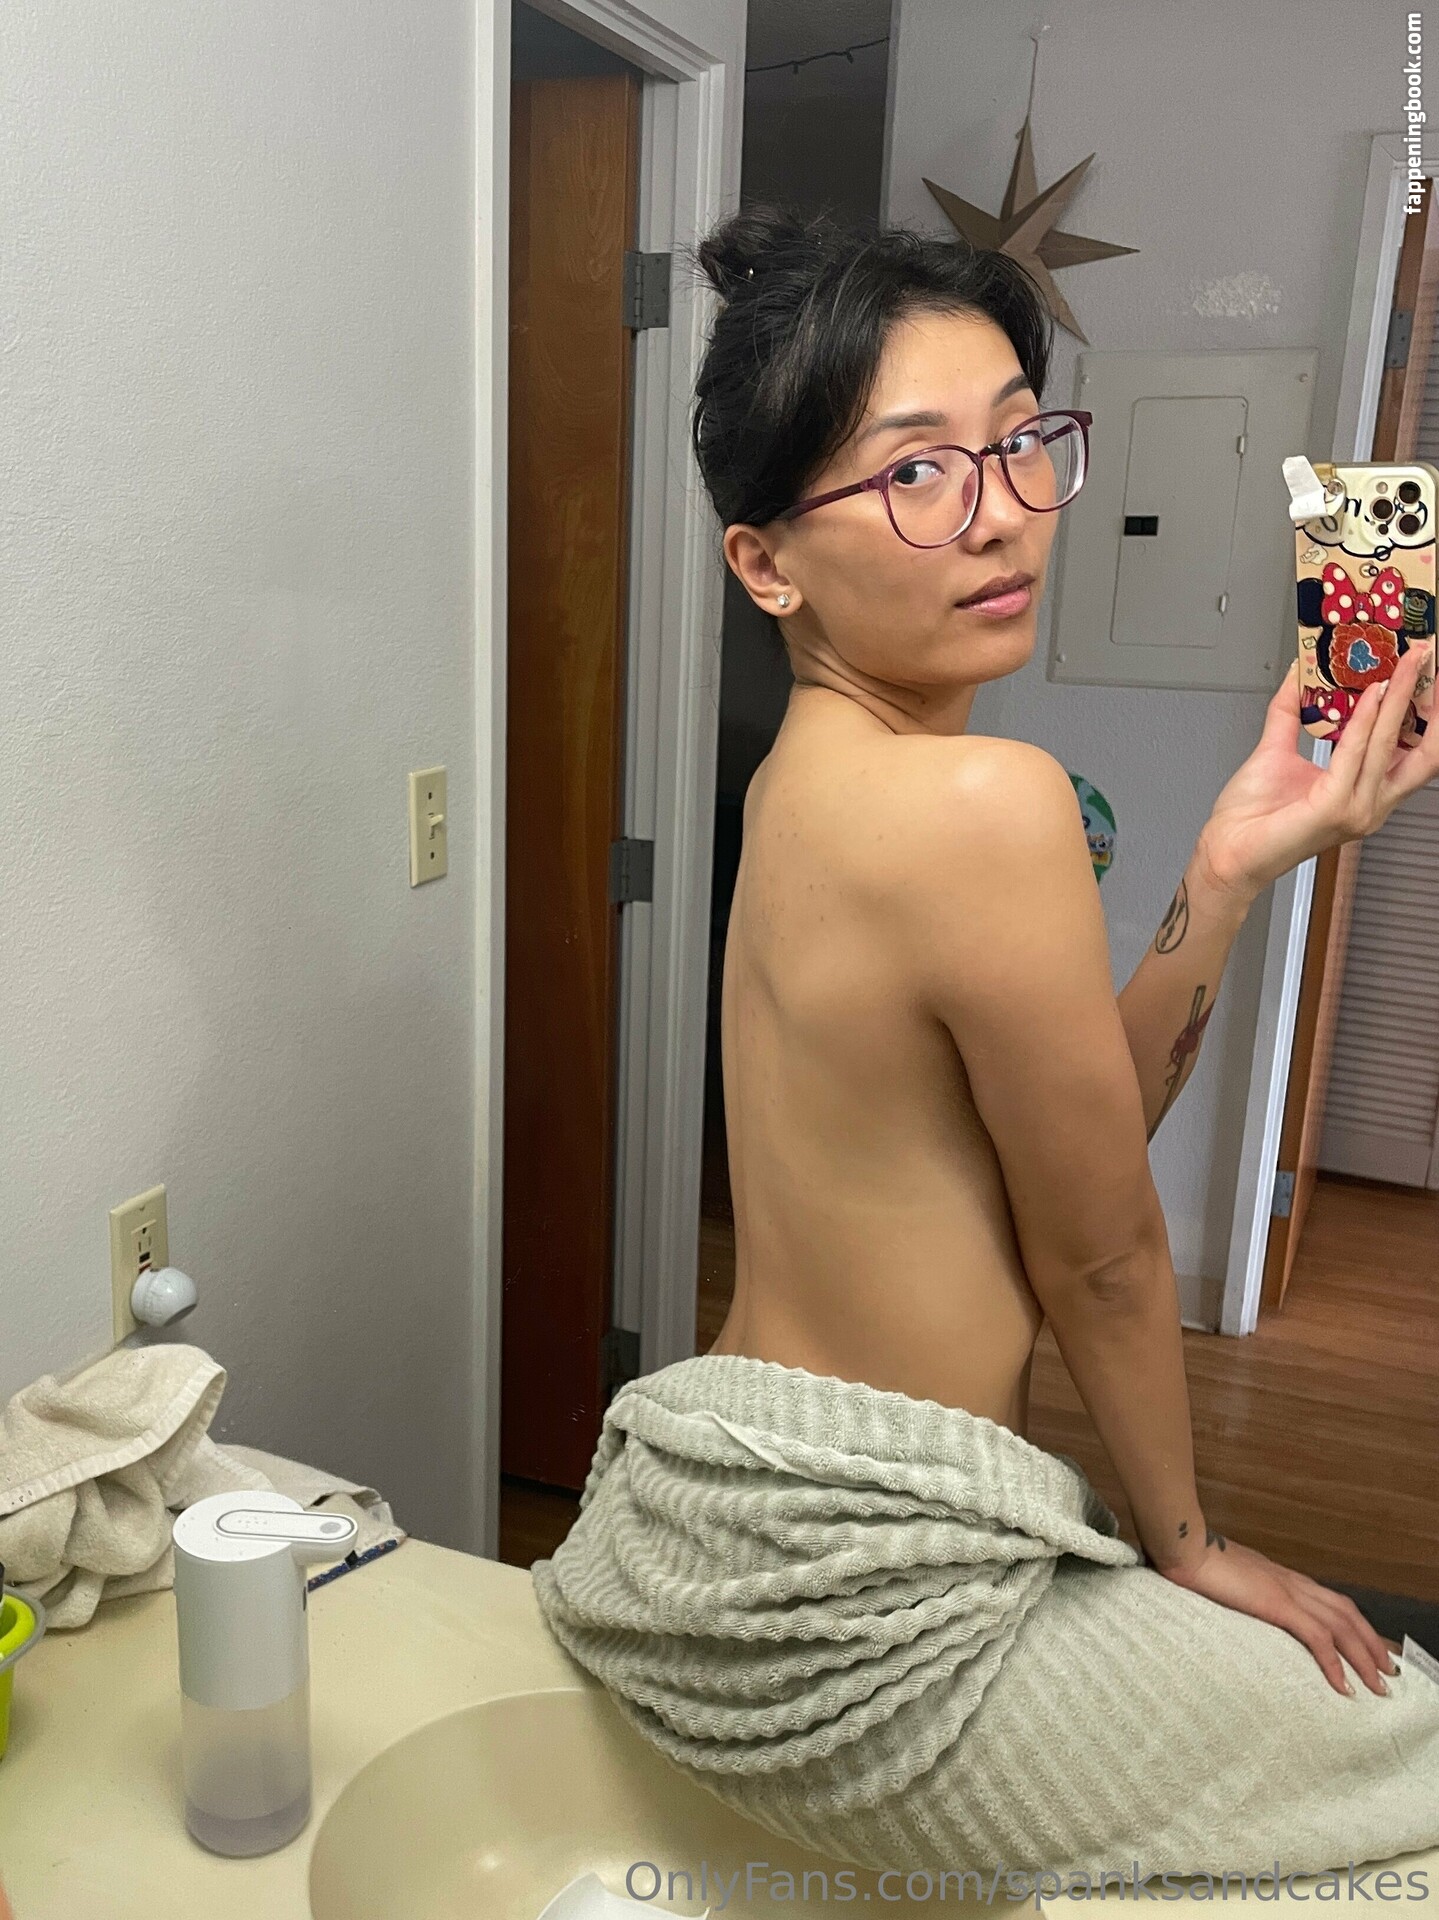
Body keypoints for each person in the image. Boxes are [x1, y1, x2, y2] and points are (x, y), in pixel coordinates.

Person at [695, 203, 1436, 1702]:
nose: (1001, 514)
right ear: (766, 566)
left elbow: (1077, 1138)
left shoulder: (803, 780)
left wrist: (1227, 868)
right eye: (916, 470)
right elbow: (1099, 1253)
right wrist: (1188, 1545)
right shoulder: (984, 803)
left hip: (740, 1465)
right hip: (871, 1543)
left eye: (1021, 441)